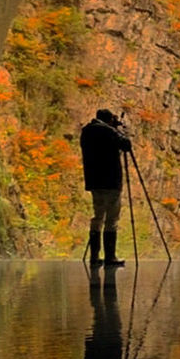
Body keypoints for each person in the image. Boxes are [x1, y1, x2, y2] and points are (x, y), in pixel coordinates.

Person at [80, 108, 131, 266]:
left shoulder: (86, 132)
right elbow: (126, 145)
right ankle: (110, 257)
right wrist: (119, 130)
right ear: (109, 120)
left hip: (94, 181)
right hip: (111, 181)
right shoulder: (109, 132)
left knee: (98, 216)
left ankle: (94, 257)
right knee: (111, 219)